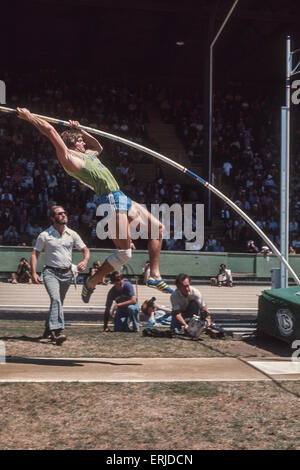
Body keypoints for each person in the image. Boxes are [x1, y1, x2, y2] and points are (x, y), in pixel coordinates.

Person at [16, 108, 173, 303]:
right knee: (125, 253)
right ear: (73, 144)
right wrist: (30, 117)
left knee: (157, 228)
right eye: (80, 140)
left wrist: (80, 130)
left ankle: (154, 276)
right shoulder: (68, 158)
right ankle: (91, 282)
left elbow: (98, 147)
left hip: (121, 196)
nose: (83, 142)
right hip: (109, 200)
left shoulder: (89, 155)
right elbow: (49, 130)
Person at [30, 205, 90, 345]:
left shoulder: (72, 234)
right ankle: (57, 332)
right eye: (60, 213)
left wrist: (85, 261)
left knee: (58, 303)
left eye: (64, 212)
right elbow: (35, 253)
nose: (64, 215)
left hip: (67, 274)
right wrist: (33, 272)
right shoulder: (44, 235)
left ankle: (47, 330)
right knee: (56, 299)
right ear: (52, 218)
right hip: (50, 272)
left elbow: (85, 249)